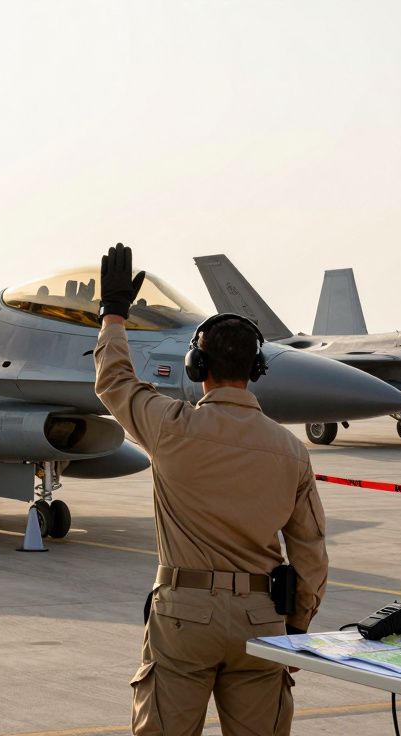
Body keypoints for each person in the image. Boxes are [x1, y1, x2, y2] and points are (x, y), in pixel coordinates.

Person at [92, 243, 328, 736]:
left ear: (197, 367)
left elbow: (114, 381)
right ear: (256, 369)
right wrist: (297, 631)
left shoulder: (170, 426)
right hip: (262, 620)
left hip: (184, 616)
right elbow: (310, 554)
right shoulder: (291, 451)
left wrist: (113, 316)